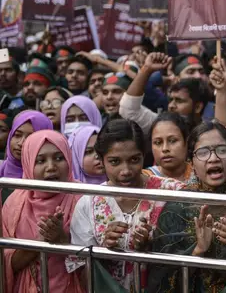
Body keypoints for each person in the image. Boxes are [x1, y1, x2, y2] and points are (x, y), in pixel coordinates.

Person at [148, 122, 226, 292]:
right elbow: (163, 279)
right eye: (203, 152)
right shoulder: (177, 206)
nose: (213, 158)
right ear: (191, 161)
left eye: (222, 150)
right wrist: (199, 251)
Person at [69, 119, 183, 291]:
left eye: (134, 159)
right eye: (115, 162)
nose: (126, 171)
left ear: (144, 156)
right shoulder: (89, 203)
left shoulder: (172, 192)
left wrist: (152, 245)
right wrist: (103, 250)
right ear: (101, 160)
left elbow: (187, 253)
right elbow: (83, 271)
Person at [2, 130, 84, 293]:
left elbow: (95, 265)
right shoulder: (14, 203)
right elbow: (6, 263)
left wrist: (62, 241)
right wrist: (41, 241)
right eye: (40, 161)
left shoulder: (83, 199)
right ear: (28, 163)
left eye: (59, 158)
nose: (51, 167)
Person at [0, 111, 54, 179]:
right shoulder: (1, 168)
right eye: (17, 135)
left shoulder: (50, 176)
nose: (20, 143)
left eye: (30, 138)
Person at [144, 112, 193, 181]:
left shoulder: (200, 174)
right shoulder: (144, 178)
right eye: (158, 142)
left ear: (186, 142)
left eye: (172, 141)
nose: (165, 148)